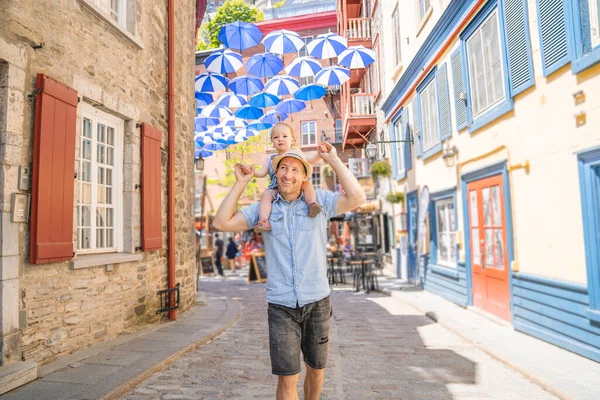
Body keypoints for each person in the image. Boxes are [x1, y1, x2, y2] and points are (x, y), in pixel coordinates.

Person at [213, 142, 365, 400]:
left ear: (304, 176)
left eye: (295, 169)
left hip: (317, 300)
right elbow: (221, 222)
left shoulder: (320, 203)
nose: (288, 174)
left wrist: (334, 161)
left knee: (316, 370)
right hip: (281, 304)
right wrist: (241, 183)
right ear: (276, 173)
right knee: (288, 377)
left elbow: (358, 198)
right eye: (283, 167)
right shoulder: (265, 209)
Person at [252, 122, 323, 233]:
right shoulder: (270, 159)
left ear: (292, 140)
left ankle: (312, 205)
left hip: (295, 186)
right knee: (266, 195)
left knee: (307, 184)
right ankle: (264, 220)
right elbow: (262, 173)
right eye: (276, 137)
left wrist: (319, 153)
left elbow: (311, 160)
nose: (280, 139)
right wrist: (252, 172)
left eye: (284, 136)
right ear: (272, 142)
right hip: (277, 188)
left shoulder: (297, 154)